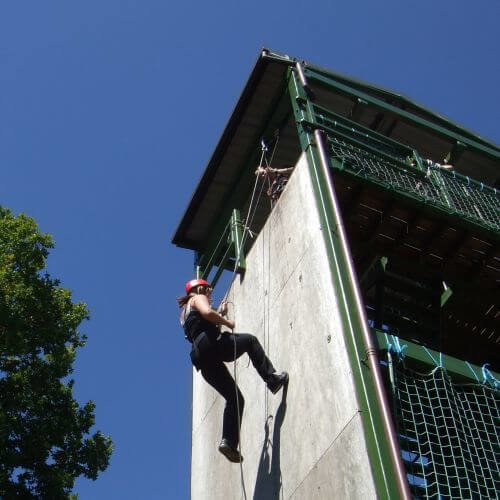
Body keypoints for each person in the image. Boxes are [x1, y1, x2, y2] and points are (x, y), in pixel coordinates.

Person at [178, 278, 288, 463]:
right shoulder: (196, 298)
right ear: (200, 288)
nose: (210, 294)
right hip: (214, 346)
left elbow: (203, 324)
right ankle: (272, 380)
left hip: (202, 358)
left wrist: (219, 314)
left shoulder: (184, 314)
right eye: (209, 291)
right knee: (250, 341)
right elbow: (206, 312)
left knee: (234, 398)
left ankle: (228, 442)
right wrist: (227, 322)